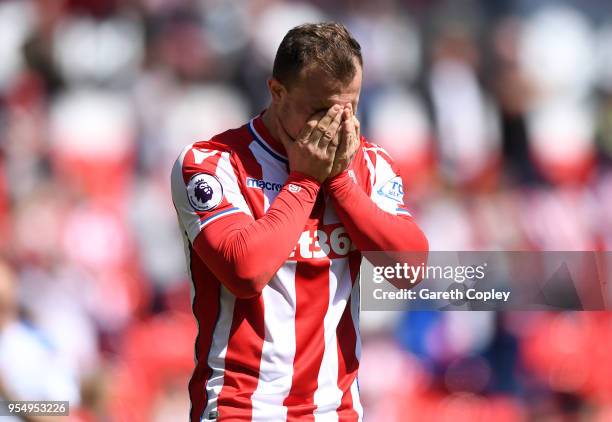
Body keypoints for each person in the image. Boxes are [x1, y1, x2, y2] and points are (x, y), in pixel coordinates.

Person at [171, 22, 428, 422]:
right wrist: (306, 181)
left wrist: (340, 181)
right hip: (241, 409)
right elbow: (244, 271)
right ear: (277, 93)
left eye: (350, 108)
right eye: (321, 110)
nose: (338, 126)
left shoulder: (369, 165)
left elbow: (410, 269)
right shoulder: (213, 162)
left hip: (337, 411)